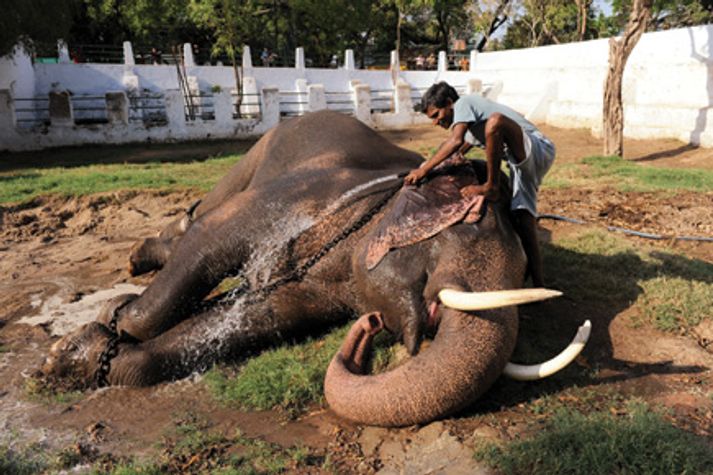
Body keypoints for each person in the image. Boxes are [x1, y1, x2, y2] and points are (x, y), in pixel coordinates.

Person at [404, 81, 555, 288]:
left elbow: (455, 141)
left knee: (496, 122)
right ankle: (539, 285)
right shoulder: (471, 128)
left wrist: (424, 169)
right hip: (520, 161)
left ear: (449, 103)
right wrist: (432, 169)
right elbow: (458, 149)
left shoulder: (464, 103)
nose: (435, 122)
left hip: (537, 146)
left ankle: (491, 186)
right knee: (524, 218)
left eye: (436, 115)